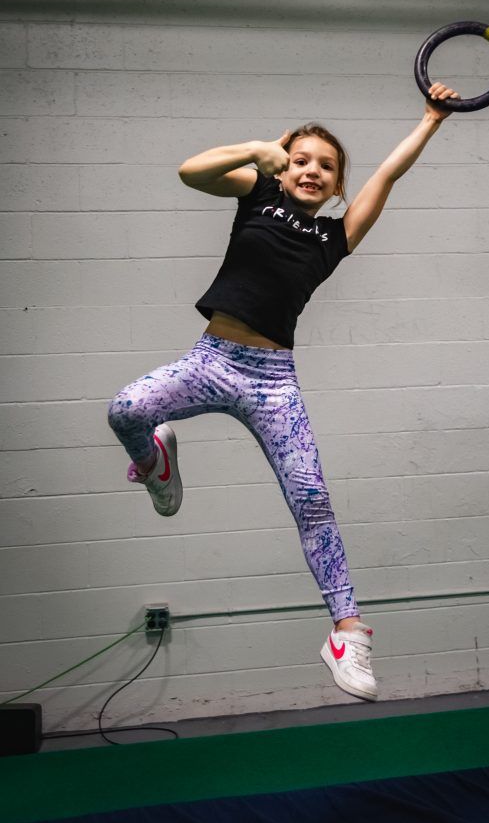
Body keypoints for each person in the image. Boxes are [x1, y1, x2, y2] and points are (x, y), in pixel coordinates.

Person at [107, 81, 459, 703]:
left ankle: (347, 630)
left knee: (313, 498)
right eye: (301, 160)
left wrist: (431, 119)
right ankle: (157, 464)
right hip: (211, 360)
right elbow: (191, 173)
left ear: (338, 184)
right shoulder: (258, 195)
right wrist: (256, 149)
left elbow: (389, 175)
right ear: (282, 165)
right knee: (127, 409)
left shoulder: (333, 239)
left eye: (326, 166)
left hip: (272, 383)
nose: (312, 171)